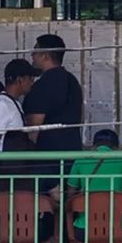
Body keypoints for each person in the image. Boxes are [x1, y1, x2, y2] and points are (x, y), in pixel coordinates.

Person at [24, 34, 84, 176]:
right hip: (73, 154)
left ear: (45, 55)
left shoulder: (42, 85)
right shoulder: (72, 80)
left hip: (48, 159)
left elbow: (34, 127)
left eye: (36, 50)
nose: (32, 55)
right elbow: (81, 116)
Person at [66, 129, 122, 235]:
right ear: (116, 146)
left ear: (94, 146)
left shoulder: (80, 160)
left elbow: (70, 194)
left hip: (85, 229)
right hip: (121, 229)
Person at [0, 58, 38, 153]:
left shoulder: (13, 103)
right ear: (19, 80)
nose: (32, 82)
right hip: (4, 167)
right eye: (30, 78)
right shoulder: (1, 105)